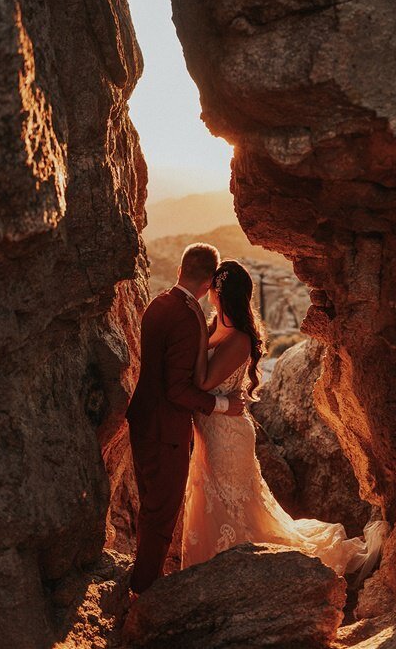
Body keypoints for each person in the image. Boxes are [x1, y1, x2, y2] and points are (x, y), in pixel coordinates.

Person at [182, 259, 389, 582]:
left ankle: (239, 575)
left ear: (221, 293)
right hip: (211, 430)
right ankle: (210, 572)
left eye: (213, 285)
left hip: (227, 436)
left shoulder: (238, 339)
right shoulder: (214, 327)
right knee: (210, 497)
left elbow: (205, 382)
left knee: (232, 505)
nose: (208, 290)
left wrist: (193, 339)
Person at [126, 244, 246, 594]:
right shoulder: (186, 316)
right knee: (162, 515)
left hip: (144, 420)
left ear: (181, 269)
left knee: (150, 508)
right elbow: (178, 390)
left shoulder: (158, 304)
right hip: (166, 431)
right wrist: (223, 406)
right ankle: (144, 591)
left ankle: (141, 578)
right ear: (210, 281)